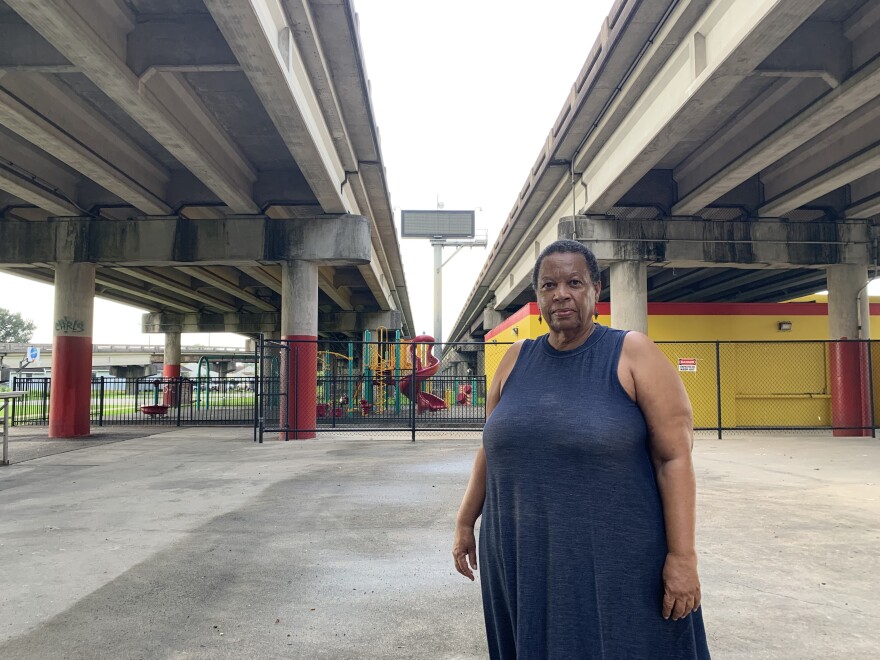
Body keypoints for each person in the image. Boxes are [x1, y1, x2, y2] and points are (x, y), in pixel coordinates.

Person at [452, 240, 710, 658]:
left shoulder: (633, 353)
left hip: (613, 557)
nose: (561, 294)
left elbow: (674, 459)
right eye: (549, 285)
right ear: (538, 296)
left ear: (596, 289)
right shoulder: (515, 359)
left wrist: (683, 556)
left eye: (574, 282)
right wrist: (466, 521)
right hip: (520, 551)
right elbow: (492, 447)